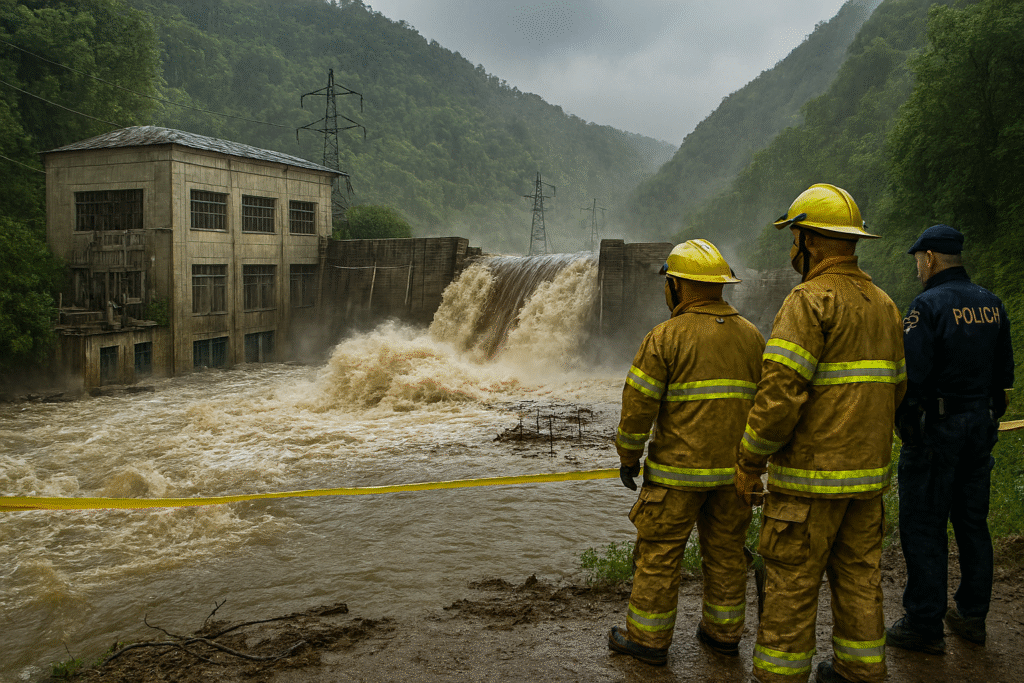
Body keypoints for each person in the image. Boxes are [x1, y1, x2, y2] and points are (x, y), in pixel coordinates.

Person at [733, 184, 906, 683]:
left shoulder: (808, 301)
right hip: (867, 483)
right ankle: (861, 670)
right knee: (859, 580)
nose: (792, 249)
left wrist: (749, 460)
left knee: (791, 585)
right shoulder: (886, 305)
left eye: (795, 237)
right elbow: (896, 391)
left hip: (808, 487)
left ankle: (781, 676)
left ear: (809, 240)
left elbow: (779, 395)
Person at [606, 239, 764, 667]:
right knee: (729, 554)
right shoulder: (752, 337)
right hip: (734, 476)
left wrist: (628, 457)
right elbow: (767, 405)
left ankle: (648, 640)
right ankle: (723, 634)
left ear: (676, 286)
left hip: (676, 477)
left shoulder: (665, 337)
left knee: (659, 555)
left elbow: (638, 407)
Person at [885, 224, 1014, 654]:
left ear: (930, 258)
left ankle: (924, 623)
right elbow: (1004, 382)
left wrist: (909, 432)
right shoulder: (992, 304)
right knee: (972, 523)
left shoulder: (926, 307)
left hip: (937, 432)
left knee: (924, 527)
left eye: (918, 260)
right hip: (981, 425)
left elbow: (911, 380)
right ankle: (972, 616)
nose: (918, 268)